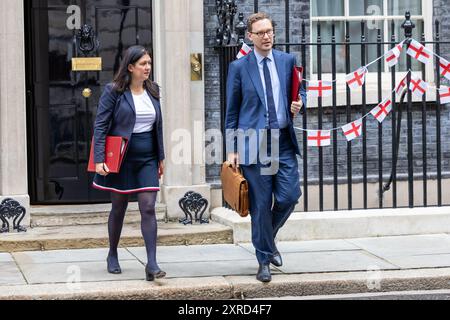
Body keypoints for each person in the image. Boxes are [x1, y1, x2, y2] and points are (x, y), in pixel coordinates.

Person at [225, 12, 306, 283]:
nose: (267, 36)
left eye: (269, 31)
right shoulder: (239, 67)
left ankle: (266, 242)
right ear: (250, 37)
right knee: (260, 205)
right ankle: (263, 261)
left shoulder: (286, 61)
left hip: (282, 140)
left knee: (289, 196)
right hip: (253, 145)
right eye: (260, 32)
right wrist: (232, 148)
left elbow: (299, 90)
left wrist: (299, 102)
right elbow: (231, 111)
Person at [92, 45, 166, 281]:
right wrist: (99, 158)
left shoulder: (153, 90)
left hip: (147, 158)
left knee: (148, 207)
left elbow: (158, 126)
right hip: (121, 158)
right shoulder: (114, 91)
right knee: (119, 207)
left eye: (150, 63)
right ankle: (112, 253)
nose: (148, 68)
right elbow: (101, 125)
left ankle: (152, 264)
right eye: (143, 64)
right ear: (131, 67)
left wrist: (161, 157)